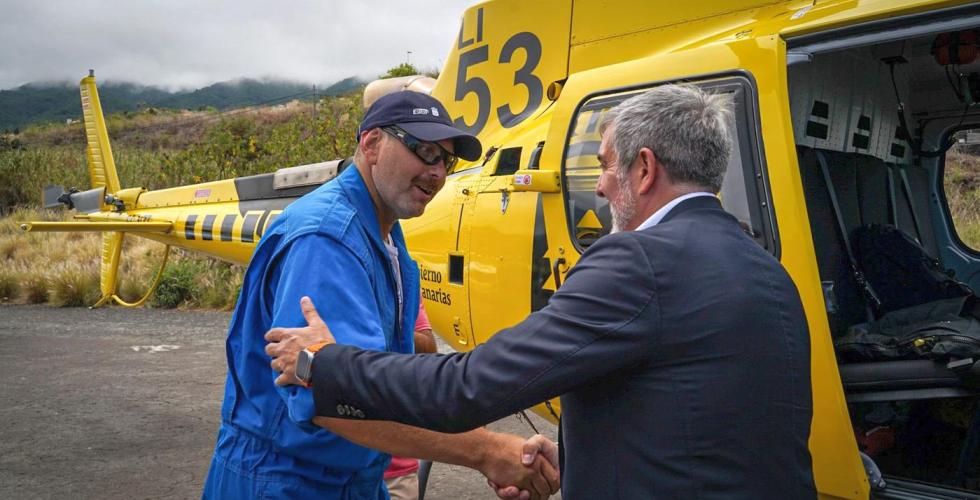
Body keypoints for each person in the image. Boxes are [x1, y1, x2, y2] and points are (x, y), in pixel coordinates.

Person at [266, 84, 818, 498]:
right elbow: (704, 431)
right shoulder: (769, 271)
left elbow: (466, 387)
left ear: (644, 168)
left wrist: (323, 362)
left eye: (603, 166)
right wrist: (578, 461)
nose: (599, 186)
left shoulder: (638, 262)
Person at [203, 91, 559, 499]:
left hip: (354, 476)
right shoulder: (328, 239)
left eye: (446, 160)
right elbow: (330, 398)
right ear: (371, 145)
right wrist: (486, 451)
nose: (437, 173)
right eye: (424, 151)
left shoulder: (385, 232)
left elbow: (385, 381)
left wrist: (487, 447)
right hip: (287, 479)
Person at [384, 302, 435, 500]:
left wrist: (391, 329)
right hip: (331, 469)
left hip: (395, 471)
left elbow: (429, 350)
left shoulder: (401, 281)